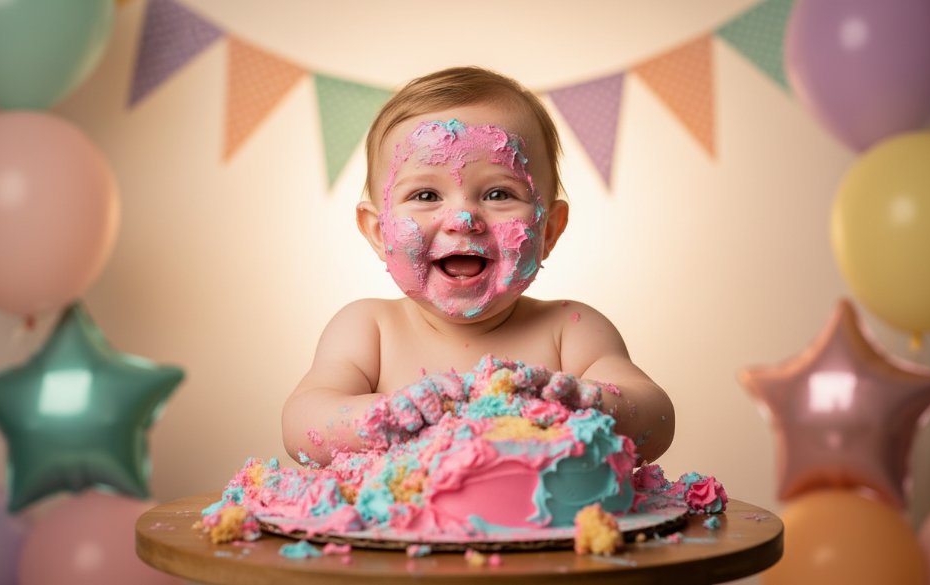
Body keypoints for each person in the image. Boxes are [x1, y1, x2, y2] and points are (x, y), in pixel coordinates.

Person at [283, 66, 674, 467]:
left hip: (545, 528)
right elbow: (302, 422)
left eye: (499, 193)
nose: (464, 218)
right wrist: (389, 415)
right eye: (426, 194)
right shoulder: (369, 329)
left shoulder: (571, 330)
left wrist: (573, 402)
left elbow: (656, 418)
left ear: (549, 229)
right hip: (397, 526)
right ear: (379, 232)